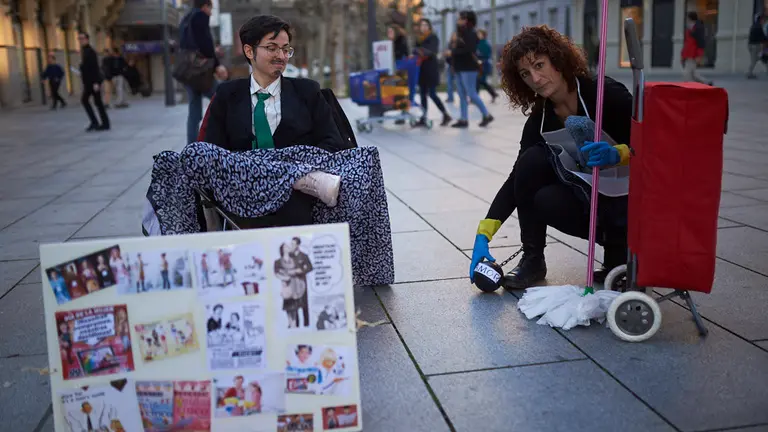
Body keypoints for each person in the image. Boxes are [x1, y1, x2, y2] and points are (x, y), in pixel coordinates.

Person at [469, 25, 633, 289]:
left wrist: (619, 153)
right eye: (525, 73)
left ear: (557, 60)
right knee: (534, 167)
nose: (535, 78)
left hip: (635, 200)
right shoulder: (540, 119)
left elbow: (658, 143)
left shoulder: (606, 93)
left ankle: (620, 249)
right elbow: (517, 179)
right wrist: (484, 233)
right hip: (595, 198)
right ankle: (533, 260)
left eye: (539, 65)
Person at [203, 14, 345, 228]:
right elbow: (213, 152)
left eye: (285, 49)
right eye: (272, 48)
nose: (281, 56)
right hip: (243, 199)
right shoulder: (227, 95)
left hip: (297, 203)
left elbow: (333, 143)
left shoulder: (307, 92)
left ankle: (296, 178)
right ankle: (297, 178)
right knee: (191, 156)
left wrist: (293, 165)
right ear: (249, 51)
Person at [180, 0, 228, 144]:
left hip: (188, 72)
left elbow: (187, 44)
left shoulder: (186, 18)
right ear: (205, 6)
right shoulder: (200, 16)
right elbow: (205, 44)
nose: (211, 13)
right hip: (200, 72)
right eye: (210, 8)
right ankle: (225, 137)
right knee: (223, 99)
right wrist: (217, 65)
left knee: (194, 112)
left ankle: (192, 145)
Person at [450, 10, 493, 128]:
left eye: (460, 18)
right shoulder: (460, 32)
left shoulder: (471, 32)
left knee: (471, 93)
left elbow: (469, 50)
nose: (458, 20)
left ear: (466, 20)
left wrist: (453, 51)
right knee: (461, 94)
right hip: (459, 67)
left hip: (468, 67)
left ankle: (487, 114)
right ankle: (463, 119)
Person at [412, 18, 451, 127]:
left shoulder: (433, 37)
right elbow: (414, 51)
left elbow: (431, 51)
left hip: (431, 69)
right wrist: (419, 51)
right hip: (421, 69)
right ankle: (423, 117)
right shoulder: (418, 39)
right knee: (422, 95)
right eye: (421, 25)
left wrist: (420, 51)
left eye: (425, 25)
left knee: (432, 94)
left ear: (429, 26)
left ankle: (445, 114)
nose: (423, 27)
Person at [77, 32, 110, 131]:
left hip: (92, 82)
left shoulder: (90, 52)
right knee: (93, 101)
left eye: (82, 38)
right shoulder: (84, 51)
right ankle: (99, 123)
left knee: (93, 101)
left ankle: (100, 123)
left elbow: (94, 68)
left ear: (87, 39)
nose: (80, 40)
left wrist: (96, 82)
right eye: (79, 39)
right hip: (88, 82)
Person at [681, 11, 713, 86]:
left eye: (687, 18)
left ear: (690, 19)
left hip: (693, 54)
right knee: (693, 73)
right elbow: (687, 43)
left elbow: (700, 43)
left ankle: (688, 87)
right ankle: (706, 83)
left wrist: (699, 55)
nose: (687, 20)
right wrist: (683, 55)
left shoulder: (697, 28)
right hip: (689, 54)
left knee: (687, 73)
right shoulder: (690, 28)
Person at [475, 29, 499, 103]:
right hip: (480, 65)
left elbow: (486, 54)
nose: (478, 35)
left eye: (479, 34)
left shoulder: (485, 43)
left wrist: (478, 55)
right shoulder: (478, 42)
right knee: (481, 81)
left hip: (484, 65)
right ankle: (493, 94)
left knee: (479, 80)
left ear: (483, 35)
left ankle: (475, 98)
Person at [747, 13, 768, 79]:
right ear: (760, 20)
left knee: (763, 57)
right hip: (755, 46)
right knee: (757, 59)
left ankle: (750, 73)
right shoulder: (758, 27)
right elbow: (762, 37)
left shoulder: (754, 26)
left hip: (752, 45)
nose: (764, 21)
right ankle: (749, 73)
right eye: (763, 20)